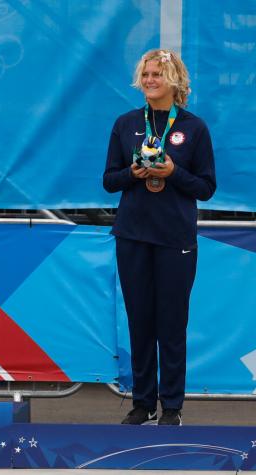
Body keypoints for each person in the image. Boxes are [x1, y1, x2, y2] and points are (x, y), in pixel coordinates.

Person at [103, 49, 216, 425]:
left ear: (175, 80)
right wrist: (133, 174)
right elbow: (109, 180)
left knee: (171, 323)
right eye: (146, 74)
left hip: (175, 238)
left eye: (158, 74)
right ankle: (142, 401)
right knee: (140, 321)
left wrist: (173, 172)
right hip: (133, 234)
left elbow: (206, 187)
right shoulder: (125, 123)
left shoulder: (194, 128)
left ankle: (172, 406)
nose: (150, 80)